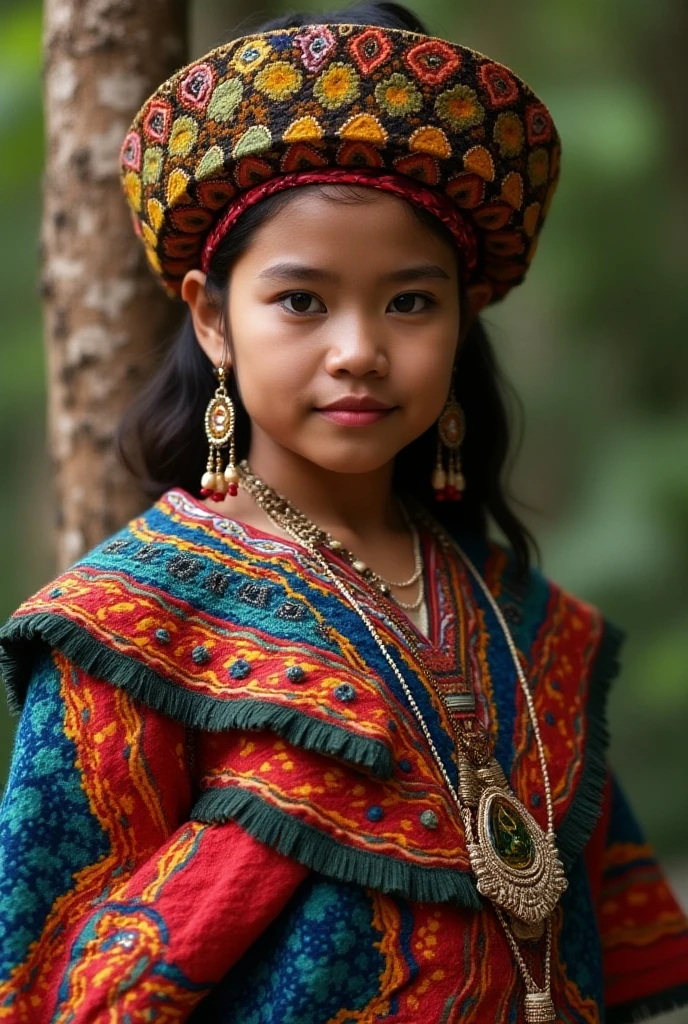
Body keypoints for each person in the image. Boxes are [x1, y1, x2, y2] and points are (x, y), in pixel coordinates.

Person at [0, 3, 686, 1021]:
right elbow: (53, 980)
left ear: (462, 317)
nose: (359, 348)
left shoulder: (530, 622)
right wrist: (269, 822)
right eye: (302, 301)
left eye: (410, 301)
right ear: (209, 317)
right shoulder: (127, 627)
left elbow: (618, 950)